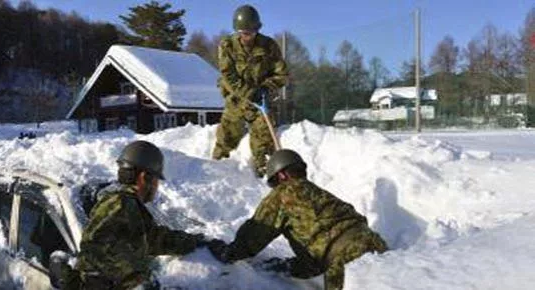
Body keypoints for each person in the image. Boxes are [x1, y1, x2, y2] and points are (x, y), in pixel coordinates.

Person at [208, 149, 388, 290]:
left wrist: (228, 253)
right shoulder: (322, 196)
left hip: (345, 259)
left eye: (275, 182)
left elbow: (254, 236)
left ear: (281, 176)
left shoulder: (284, 193)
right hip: (378, 248)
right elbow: (322, 247)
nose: (276, 187)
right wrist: (288, 266)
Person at [70, 141, 210, 289]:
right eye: (156, 180)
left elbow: (156, 239)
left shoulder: (130, 207)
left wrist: (202, 243)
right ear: (144, 177)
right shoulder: (120, 204)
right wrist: (136, 281)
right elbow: (94, 250)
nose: (157, 186)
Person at [212, 4, 288, 177]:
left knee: (264, 139)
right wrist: (248, 92)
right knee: (226, 137)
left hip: (261, 101)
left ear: (257, 29)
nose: (248, 36)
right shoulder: (227, 45)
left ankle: (263, 174)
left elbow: (282, 75)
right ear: (238, 31)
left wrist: (265, 88)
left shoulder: (269, 46)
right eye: (244, 33)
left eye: (252, 32)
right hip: (237, 99)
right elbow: (228, 76)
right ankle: (215, 172)